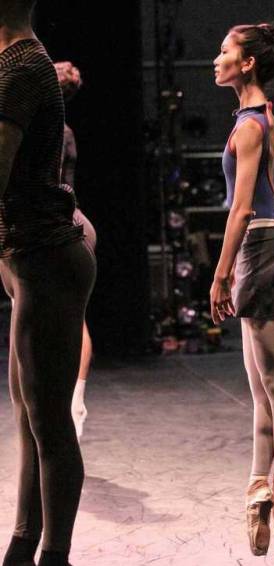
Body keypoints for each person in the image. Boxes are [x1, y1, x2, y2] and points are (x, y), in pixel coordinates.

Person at [0, 2, 96, 566]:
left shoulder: (21, 68)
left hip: (44, 263)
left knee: (50, 427)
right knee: (31, 420)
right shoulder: (12, 62)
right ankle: (18, 558)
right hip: (25, 263)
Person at [211, 23, 274, 555]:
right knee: (260, 387)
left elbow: (243, 209)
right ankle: (259, 488)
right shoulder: (257, 116)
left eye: (225, 51)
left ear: (246, 64)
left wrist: (221, 274)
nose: (216, 58)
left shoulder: (250, 124)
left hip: (260, 248)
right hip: (259, 248)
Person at [55, 60, 97, 438]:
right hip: (79, 221)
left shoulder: (50, 131)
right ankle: (74, 400)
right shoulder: (66, 130)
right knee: (74, 316)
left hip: (62, 225)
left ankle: (69, 402)